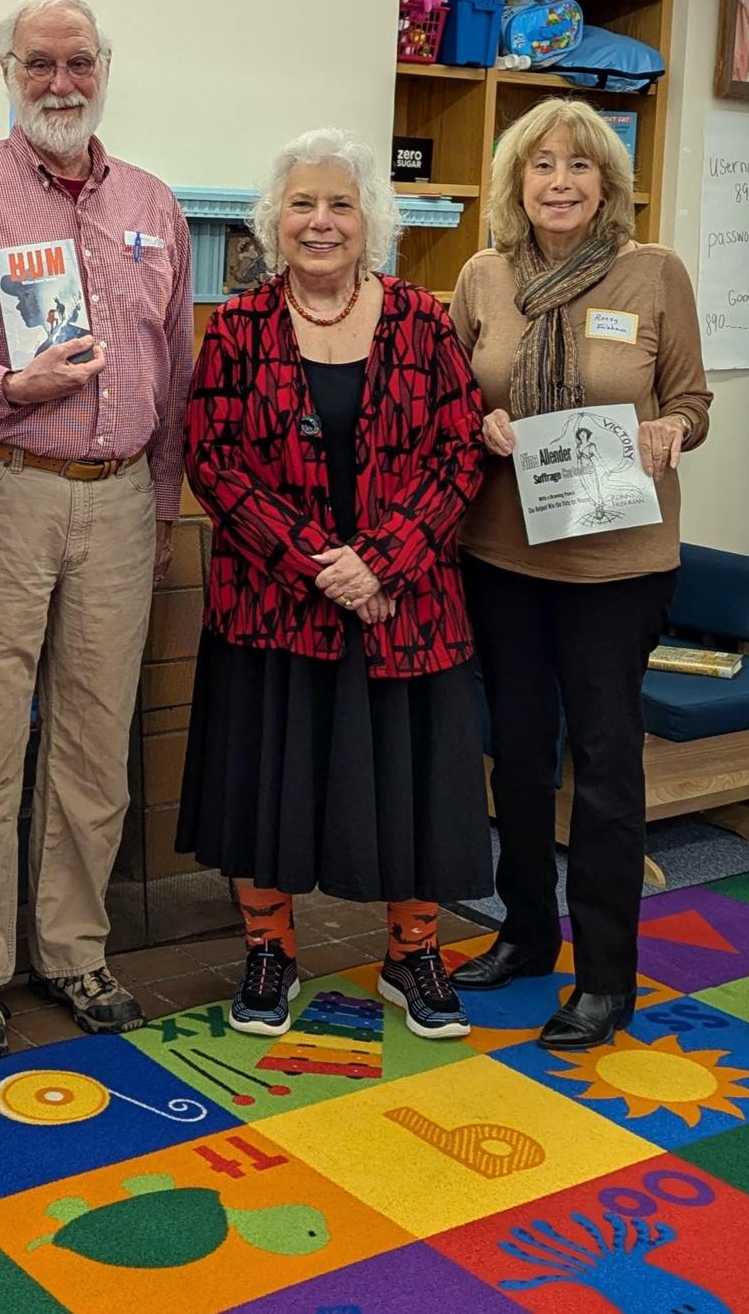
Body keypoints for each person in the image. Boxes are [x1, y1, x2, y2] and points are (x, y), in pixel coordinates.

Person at [0, 0, 192, 1063]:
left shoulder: (154, 202)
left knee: (96, 736)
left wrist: (158, 504)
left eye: (79, 62)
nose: (62, 82)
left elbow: (175, 378)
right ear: (9, 72)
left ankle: (72, 947)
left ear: (106, 66)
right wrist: (9, 381)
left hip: (117, 502)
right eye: (40, 64)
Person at [179, 129, 491, 1041]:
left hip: (407, 605)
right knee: (266, 788)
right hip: (274, 604)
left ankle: (414, 951)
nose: (321, 222)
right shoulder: (237, 325)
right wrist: (327, 566)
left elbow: (457, 450)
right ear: (275, 221)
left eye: (341, 204)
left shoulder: (423, 320)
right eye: (303, 204)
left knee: (411, 784)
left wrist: (383, 561)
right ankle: (269, 950)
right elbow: (214, 459)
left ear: (372, 223)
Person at [448, 97, 712, 1050]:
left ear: (608, 183)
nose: (559, 182)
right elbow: (449, 395)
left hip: (617, 564)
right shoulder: (483, 277)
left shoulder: (653, 273)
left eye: (580, 166)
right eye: (541, 165)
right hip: (504, 554)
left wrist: (670, 428)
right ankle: (523, 934)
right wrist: (476, 425)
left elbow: (691, 398)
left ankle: (605, 978)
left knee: (605, 765)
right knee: (516, 758)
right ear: (517, 182)